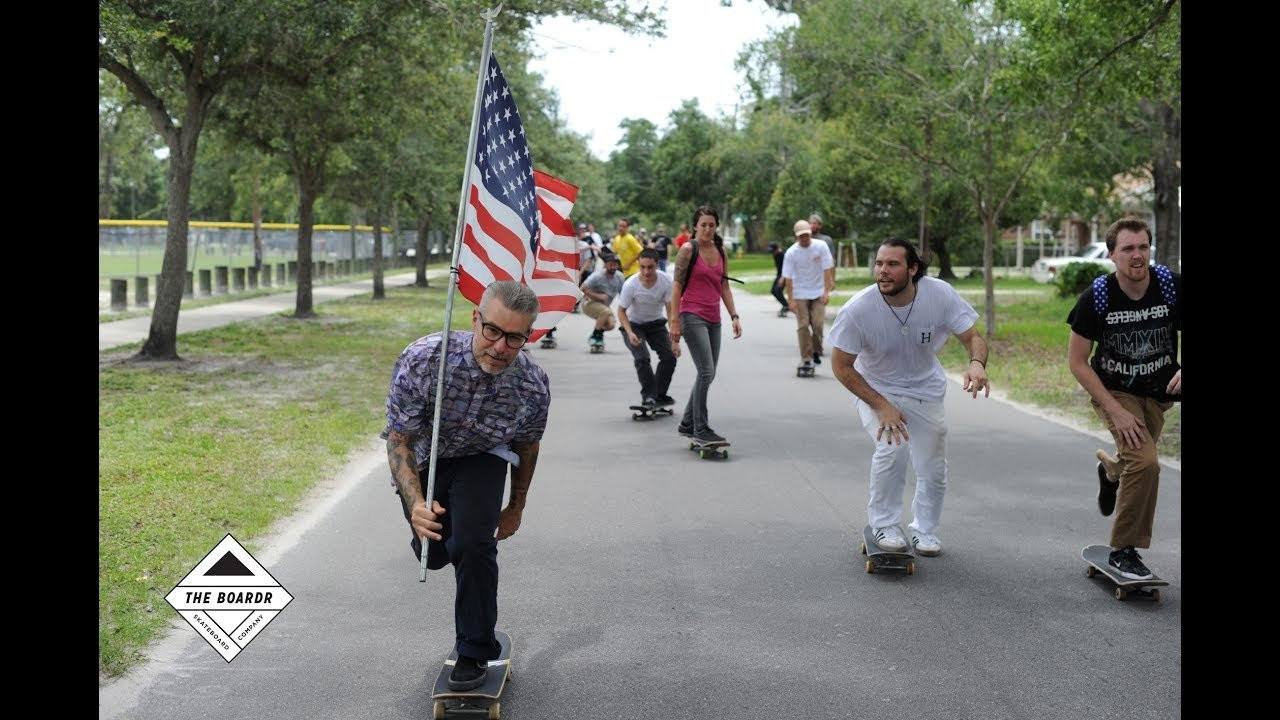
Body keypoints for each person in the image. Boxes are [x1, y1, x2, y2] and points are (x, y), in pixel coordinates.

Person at [383, 281, 549, 692]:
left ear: (528, 336)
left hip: (484, 456)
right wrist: (418, 503)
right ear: (475, 318)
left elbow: (528, 446)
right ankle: (431, 538)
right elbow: (398, 438)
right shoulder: (424, 359)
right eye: (492, 330)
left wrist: (516, 507)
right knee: (437, 552)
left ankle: (474, 648)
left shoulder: (532, 385)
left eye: (514, 338)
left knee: (474, 545)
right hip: (427, 459)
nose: (499, 347)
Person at [828, 237, 989, 557]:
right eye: (878, 263)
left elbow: (973, 337)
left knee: (932, 467)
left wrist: (976, 364)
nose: (882, 271)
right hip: (876, 389)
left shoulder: (938, 294)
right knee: (893, 448)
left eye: (892, 264)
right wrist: (882, 405)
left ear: (913, 269)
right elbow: (842, 368)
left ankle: (925, 530)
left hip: (925, 390)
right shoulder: (858, 309)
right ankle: (884, 524)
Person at [1066, 216, 1181, 581]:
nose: (1137, 255)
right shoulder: (1097, 297)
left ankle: (1112, 470)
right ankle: (1124, 550)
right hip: (1114, 391)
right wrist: (1114, 410)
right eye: (1128, 248)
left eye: (1143, 247)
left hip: (1158, 391)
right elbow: (1078, 363)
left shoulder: (1169, 286)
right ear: (1112, 254)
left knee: (1136, 461)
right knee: (1146, 463)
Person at [668, 205, 742, 444]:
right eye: (703, 225)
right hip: (691, 315)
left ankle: (687, 422)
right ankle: (701, 428)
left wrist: (734, 315)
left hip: (714, 318)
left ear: (716, 226)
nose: (707, 229)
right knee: (707, 371)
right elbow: (677, 287)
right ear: (695, 227)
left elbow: (724, 286)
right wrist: (674, 321)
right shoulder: (688, 249)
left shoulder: (720, 250)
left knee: (706, 374)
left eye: (711, 225)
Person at [617, 248, 680, 408]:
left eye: (650, 267)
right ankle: (648, 397)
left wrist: (675, 339)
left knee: (669, 357)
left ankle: (658, 395)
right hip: (633, 325)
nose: (646, 272)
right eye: (642, 267)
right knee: (642, 358)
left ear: (657, 265)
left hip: (656, 324)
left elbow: (670, 309)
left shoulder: (665, 281)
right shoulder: (631, 284)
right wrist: (630, 332)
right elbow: (621, 311)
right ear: (638, 265)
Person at [782, 219, 835, 371]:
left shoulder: (821, 246)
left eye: (806, 235)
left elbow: (827, 269)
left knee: (818, 324)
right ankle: (806, 358)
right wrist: (790, 300)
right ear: (796, 236)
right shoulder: (791, 253)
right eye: (801, 236)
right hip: (799, 292)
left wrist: (826, 292)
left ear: (811, 234)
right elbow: (788, 278)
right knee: (803, 325)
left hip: (818, 291)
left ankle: (816, 350)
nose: (804, 238)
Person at [579, 251, 624, 348]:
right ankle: (596, 336)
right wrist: (598, 296)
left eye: (615, 265)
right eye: (610, 265)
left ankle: (596, 333)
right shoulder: (597, 276)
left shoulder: (619, 277)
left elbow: (623, 296)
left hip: (604, 307)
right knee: (606, 311)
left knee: (611, 325)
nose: (613, 267)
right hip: (589, 303)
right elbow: (582, 288)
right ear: (605, 264)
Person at [768, 242, 788, 316]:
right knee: (773, 291)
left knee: (778, 290)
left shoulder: (783, 255)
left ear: (777, 249)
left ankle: (786, 306)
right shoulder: (775, 255)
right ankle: (785, 305)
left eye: (773, 251)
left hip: (785, 275)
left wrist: (783, 278)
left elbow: (787, 268)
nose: (772, 253)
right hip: (779, 275)